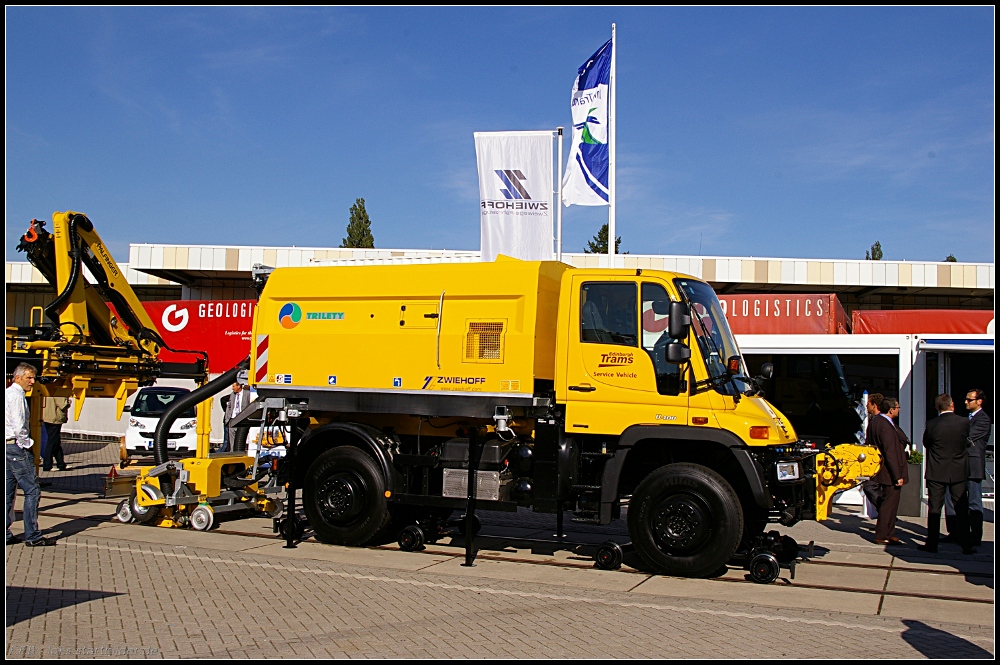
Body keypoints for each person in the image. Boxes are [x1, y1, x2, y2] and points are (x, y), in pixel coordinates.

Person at [5, 363, 55, 547]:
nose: (33, 382)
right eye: (29, 378)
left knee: (8, 491)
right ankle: (33, 535)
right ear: (17, 377)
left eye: (33, 378)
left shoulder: (7, 394)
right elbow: (19, 426)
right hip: (17, 448)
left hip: (7, 447)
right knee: (32, 490)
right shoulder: (17, 397)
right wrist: (27, 445)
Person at [918, 394, 973, 554]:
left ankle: (932, 543)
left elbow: (926, 443)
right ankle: (966, 544)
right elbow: (966, 442)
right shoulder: (963, 422)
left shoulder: (932, 424)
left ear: (937, 408)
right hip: (957, 470)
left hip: (937, 471)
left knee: (935, 508)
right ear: (952, 405)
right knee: (961, 507)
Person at [870, 396, 907, 545]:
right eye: (897, 407)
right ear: (891, 410)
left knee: (891, 503)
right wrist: (897, 475)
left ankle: (890, 532)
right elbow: (889, 451)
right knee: (888, 504)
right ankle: (882, 534)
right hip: (889, 471)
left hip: (885, 470)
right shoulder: (884, 424)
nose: (899, 410)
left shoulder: (878, 422)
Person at [965, 388, 991, 546]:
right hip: (962, 464)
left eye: (969, 399)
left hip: (973, 465)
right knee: (960, 500)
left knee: (974, 501)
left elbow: (968, 437)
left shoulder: (982, 419)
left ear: (979, 401)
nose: (966, 402)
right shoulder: (967, 418)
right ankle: (961, 532)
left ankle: (975, 536)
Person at [42, 396, 70, 472]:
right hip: (55, 418)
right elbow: (62, 404)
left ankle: (61, 464)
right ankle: (47, 465)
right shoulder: (59, 392)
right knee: (52, 442)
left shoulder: (47, 390)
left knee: (56, 441)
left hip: (46, 417)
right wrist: (68, 402)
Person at [222, 381, 251, 453]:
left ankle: (239, 452)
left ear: (239, 386)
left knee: (240, 438)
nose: (232, 388)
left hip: (242, 419)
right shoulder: (233, 394)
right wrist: (227, 416)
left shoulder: (247, 394)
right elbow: (230, 406)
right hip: (232, 419)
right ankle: (232, 453)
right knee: (231, 440)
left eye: (233, 386)